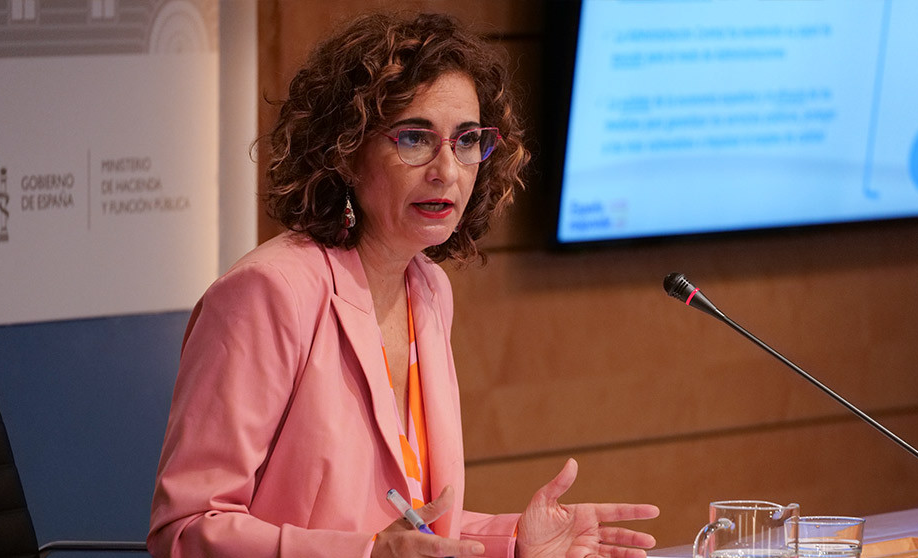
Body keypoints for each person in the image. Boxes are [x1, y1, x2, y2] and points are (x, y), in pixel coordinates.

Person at [148, 11, 659, 558]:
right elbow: (186, 528)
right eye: (415, 138)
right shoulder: (268, 293)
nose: (447, 170)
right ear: (345, 150)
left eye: (467, 140)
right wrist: (366, 555)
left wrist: (513, 542)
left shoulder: (430, 289)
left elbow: (411, 524)